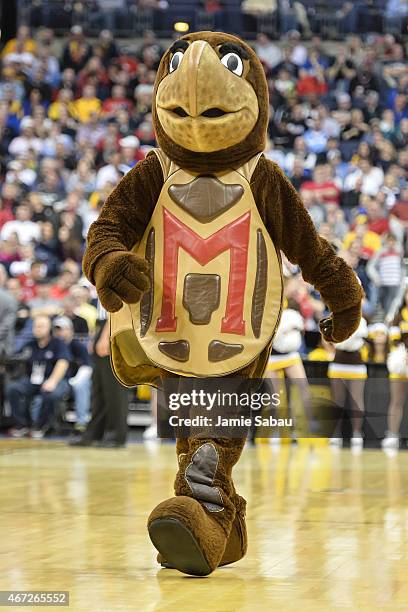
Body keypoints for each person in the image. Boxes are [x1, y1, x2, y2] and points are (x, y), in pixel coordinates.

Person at [6, 314, 70, 438]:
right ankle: (22, 425)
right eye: (36, 326)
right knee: (12, 388)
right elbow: (16, 358)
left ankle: (41, 426)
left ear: (49, 328)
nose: (37, 329)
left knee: (51, 393)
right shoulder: (30, 345)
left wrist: (52, 380)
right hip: (33, 380)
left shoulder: (57, 344)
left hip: (56, 379)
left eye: (41, 326)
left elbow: (63, 362)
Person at [69, 315, 129, 448]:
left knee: (114, 390)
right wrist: (97, 335)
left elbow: (120, 309)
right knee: (100, 390)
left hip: (118, 329)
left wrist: (106, 336)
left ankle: (116, 436)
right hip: (105, 328)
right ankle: (95, 433)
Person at [328, 318, 369, 451]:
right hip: (338, 363)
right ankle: (335, 434)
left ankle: (357, 434)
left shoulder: (362, 320)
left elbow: (361, 337)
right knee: (337, 400)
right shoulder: (335, 318)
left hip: (356, 364)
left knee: (356, 400)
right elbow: (332, 339)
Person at [53, 316, 92, 433]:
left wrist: (76, 379)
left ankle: (81, 422)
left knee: (80, 386)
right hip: (60, 381)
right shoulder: (53, 345)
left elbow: (88, 366)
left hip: (77, 381)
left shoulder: (77, 346)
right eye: (57, 329)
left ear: (71, 330)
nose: (60, 332)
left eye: (63, 329)